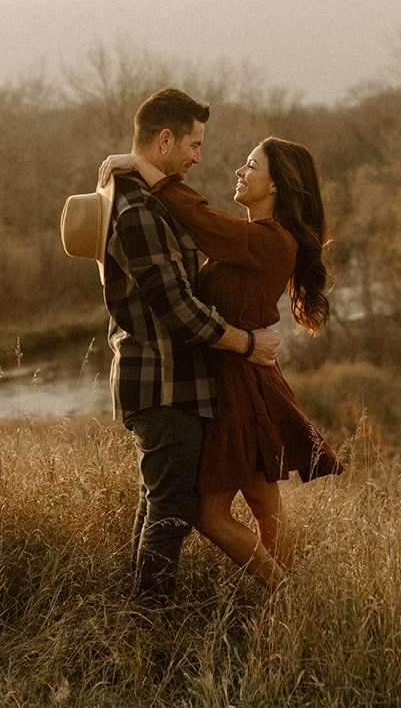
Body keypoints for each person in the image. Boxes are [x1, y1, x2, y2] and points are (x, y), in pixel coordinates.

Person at [101, 136, 343, 588]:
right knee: (263, 503)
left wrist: (141, 165)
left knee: (208, 512)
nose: (239, 171)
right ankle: (292, 602)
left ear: (275, 186)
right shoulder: (253, 239)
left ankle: (286, 594)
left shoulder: (269, 241)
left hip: (240, 383)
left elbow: (198, 217)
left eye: (251, 165)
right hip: (241, 376)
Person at [100, 87, 280, 602]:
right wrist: (248, 344)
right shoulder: (137, 212)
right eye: (194, 145)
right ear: (164, 140)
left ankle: (140, 619)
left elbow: (199, 220)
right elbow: (179, 311)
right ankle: (150, 626)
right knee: (172, 510)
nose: (199, 158)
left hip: (170, 381)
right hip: (163, 382)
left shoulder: (145, 200)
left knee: (160, 501)